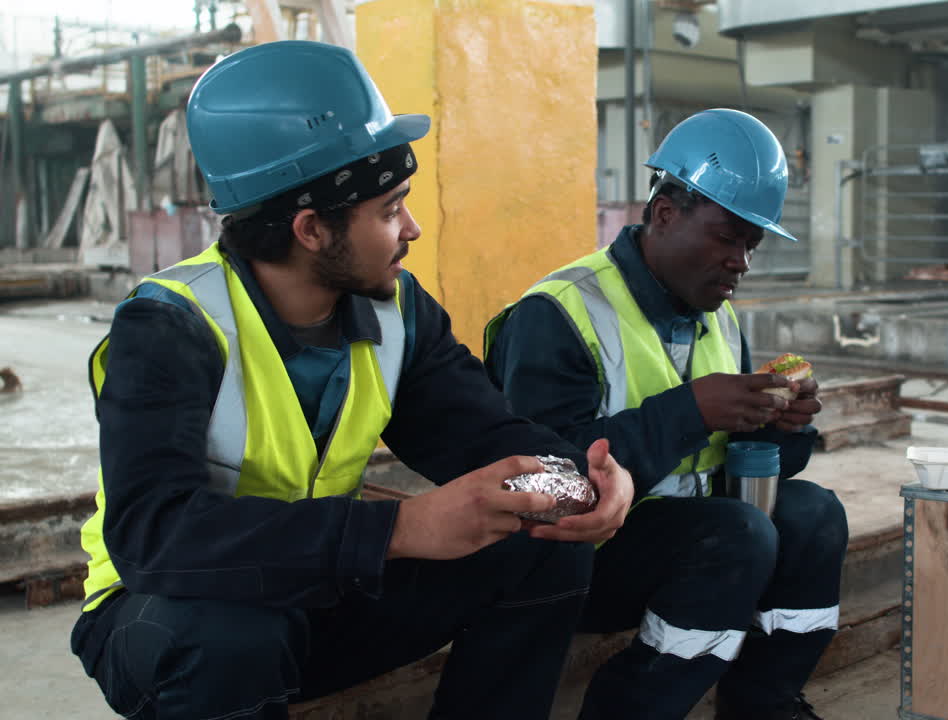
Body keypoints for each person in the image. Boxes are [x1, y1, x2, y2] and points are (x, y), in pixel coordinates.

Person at [69, 40, 632, 720]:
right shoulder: (169, 330)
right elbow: (154, 539)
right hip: (167, 617)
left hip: (315, 596)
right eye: (391, 209)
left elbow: (488, 434)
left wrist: (585, 478)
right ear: (311, 229)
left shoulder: (398, 314)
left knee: (542, 548)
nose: (413, 228)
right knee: (230, 636)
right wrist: (399, 528)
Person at [485, 109, 849, 720]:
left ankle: (765, 703)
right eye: (727, 237)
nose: (741, 263)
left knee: (814, 513)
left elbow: (737, 463)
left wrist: (782, 429)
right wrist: (692, 409)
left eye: (751, 245)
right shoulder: (560, 314)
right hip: (574, 559)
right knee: (738, 536)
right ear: (664, 214)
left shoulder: (716, 314)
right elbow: (545, 481)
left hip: (686, 543)